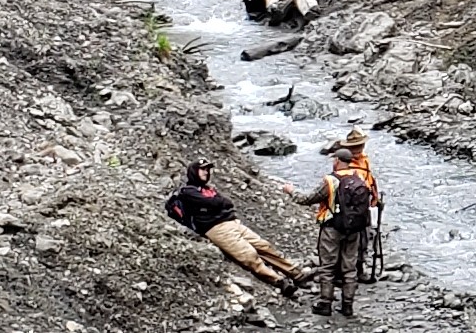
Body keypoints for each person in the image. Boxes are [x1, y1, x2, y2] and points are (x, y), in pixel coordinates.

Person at [163, 161, 305, 296]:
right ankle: (279, 281)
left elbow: (226, 203)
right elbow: (215, 202)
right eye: (203, 169)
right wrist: (218, 204)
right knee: (249, 255)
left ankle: (296, 274)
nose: (206, 172)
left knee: (264, 246)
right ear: (194, 171)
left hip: (232, 222)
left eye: (207, 169)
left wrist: (218, 203)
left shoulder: (207, 189)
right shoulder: (187, 192)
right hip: (215, 228)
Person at [305, 129, 382, 317]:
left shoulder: (337, 176)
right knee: (351, 260)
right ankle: (347, 304)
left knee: (328, 264)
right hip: (357, 220)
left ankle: (326, 302)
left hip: (334, 223)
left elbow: (313, 197)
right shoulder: (358, 170)